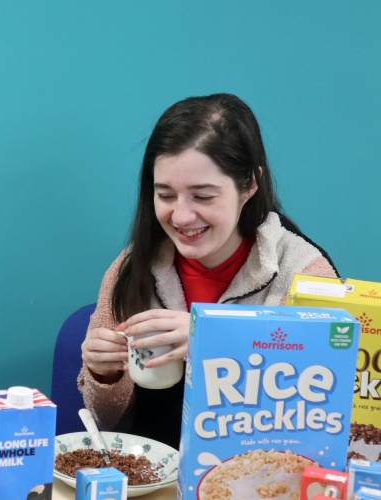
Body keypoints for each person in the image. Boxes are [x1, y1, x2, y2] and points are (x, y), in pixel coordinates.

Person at [77, 93, 337, 448]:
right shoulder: (131, 269)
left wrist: (211, 340)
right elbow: (108, 427)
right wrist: (103, 375)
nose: (181, 217)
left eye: (202, 196)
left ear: (249, 184)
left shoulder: (304, 274)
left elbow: (322, 423)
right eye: (165, 195)